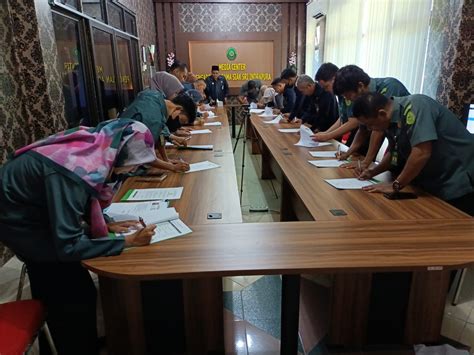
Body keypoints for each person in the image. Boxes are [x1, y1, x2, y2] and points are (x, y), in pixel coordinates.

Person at [0, 119, 158, 354]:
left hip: (34, 213)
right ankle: (74, 346)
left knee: (70, 290)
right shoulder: (69, 172)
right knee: (73, 294)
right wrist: (127, 241)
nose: (132, 171)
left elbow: (81, 200)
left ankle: (67, 340)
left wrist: (107, 225)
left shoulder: (93, 150)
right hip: (20, 223)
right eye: (132, 165)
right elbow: (68, 245)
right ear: (118, 155)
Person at [353, 92, 474, 216]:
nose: (369, 129)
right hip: (434, 181)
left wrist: (396, 185)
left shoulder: (416, 106)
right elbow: (395, 152)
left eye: (370, 124)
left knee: (456, 227)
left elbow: (421, 152)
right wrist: (373, 172)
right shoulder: (390, 122)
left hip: (460, 177)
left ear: (382, 113)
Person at [329, 65, 410, 170]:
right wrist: (347, 154)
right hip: (396, 145)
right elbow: (362, 129)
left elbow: (378, 130)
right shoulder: (363, 100)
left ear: (360, 86)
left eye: (347, 95)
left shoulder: (390, 87)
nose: (347, 99)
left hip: (410, 143)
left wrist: (366, 162)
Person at [120, 90, 196, 172]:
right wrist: (172, 167)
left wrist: (166, 159)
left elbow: (160, 135)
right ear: (178, 109)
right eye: (181, 120)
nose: (179, 125)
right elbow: (145, 155)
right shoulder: (153, 119)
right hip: (122, 159)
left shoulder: (155, 98)